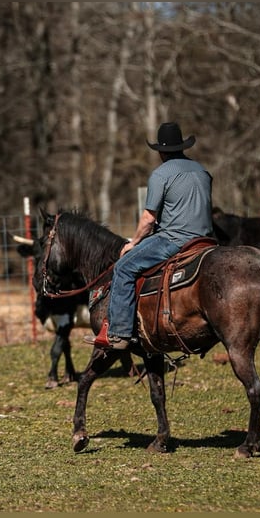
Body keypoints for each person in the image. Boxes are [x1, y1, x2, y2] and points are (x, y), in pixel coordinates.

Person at [85, 122, 214, 350]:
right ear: (182, 147)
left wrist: (133, 243)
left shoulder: (161, 174)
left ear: (162, 152)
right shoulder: (202, 170)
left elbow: (148, 219)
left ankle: (119, 333)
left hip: (175, 240)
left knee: (124, 267)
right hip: (206, 239)